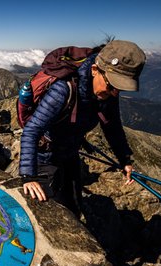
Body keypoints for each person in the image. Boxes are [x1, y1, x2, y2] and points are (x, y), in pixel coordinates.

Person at [20, 41, 143, 217]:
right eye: (111, 85)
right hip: (44, 156)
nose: (114, 93)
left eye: (119, 88)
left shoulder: (107, 93)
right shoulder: (63, 90)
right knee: (52, 212)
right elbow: (32, 130)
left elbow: (112, 126)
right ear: (94, 70)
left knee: (74, 207)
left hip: (70, 151)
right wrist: (29, 176)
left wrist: (124, 159)